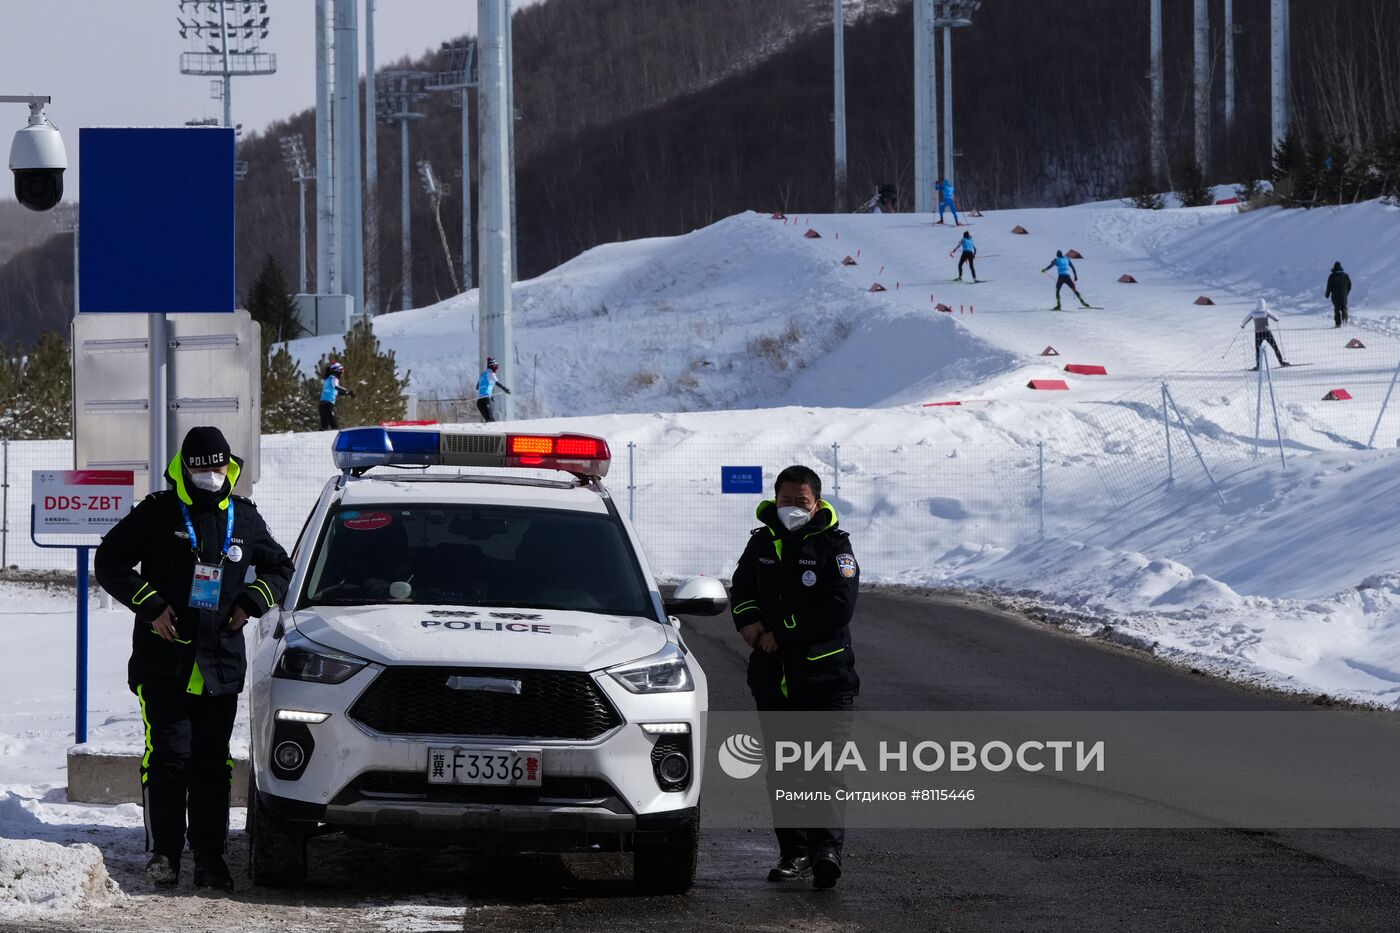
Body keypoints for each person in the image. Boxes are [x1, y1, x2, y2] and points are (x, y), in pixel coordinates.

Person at [95, 427, 294, 892]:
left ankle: (210, 857)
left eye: (218, 465)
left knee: (211, 763)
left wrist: (250, 602)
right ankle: (163, 853)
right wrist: (151, 606)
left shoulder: (242, 518)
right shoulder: (158, 513)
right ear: (186, 467)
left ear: (229, 465)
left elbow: (279, 567)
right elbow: (109, 561)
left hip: (219, 666)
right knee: (168, 758)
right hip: (163, 663)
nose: (211, 475)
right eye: (202, 466)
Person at [730, 465, 859, 890]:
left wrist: (779, 633)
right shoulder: (762, 543)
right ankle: (795, 852)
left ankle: (827, 851)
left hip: (826, 678)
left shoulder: (835, 548)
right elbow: (742, 586)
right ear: (775, 499)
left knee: (824, 768)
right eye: (785, 500)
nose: (791, 508)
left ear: (816, 503)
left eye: (800, 502)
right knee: (784, 770)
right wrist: (748, 623)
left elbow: (837, 607)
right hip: (774, 680)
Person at [1241, 299, 1288, 368]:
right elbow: (1276, 318)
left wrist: (1243, 326)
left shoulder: (1253, 313)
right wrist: (1276, 319)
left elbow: (1244, 321)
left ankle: (1258, 366)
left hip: (1258, 334)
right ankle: (1281, 362)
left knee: (1258, 350)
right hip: (1267, 332)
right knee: (1275, 347)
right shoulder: (1266, 311)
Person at [475, 356, 512, 423]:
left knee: (489, 421)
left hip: (479, 402)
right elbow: (498, 383)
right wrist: (506, 389)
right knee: (491, 421)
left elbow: (477, 387)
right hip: (485, 400)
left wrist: (490, 395)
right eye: (496, 368)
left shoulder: (482, 375)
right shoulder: (491, 374)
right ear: (493, 367)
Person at [319, 361, 353, 430]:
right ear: (336, 370)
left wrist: (346, 393)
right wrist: (347, 391)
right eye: (341, 371)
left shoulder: (327, 380)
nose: (341, 374)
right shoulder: (333, 379)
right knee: (335, 427)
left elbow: (335, 392)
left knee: (324, 428)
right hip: (328, 405)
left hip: (322, 406)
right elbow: (337, 387)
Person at [1325, 261, 1352, 328]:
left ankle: (1338, 323)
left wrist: (1327, 295)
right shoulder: (1345, 275)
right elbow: (1349, 285)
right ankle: (1345, 320)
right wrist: (1346, 293)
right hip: (1344, 295)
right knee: (1344, 307)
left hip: (1335, 296)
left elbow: (1329, 286)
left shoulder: (1332, 276)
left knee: (1337, 309)